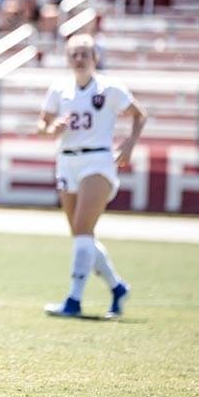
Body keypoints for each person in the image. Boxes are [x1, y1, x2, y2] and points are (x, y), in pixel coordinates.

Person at [37, 33, 147, 319]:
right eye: (74, 53)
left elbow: (139, 115)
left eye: (85, 52)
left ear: (95, 57)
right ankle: (117, 287)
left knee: (83, 231)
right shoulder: (59, 89)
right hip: (67, 161)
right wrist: (53, 129)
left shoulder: (110, 87)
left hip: (97, 160)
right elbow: (42, 125)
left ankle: (74, 300)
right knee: (80, 235)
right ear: (67, 58)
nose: (79, 58)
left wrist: (128, 145)